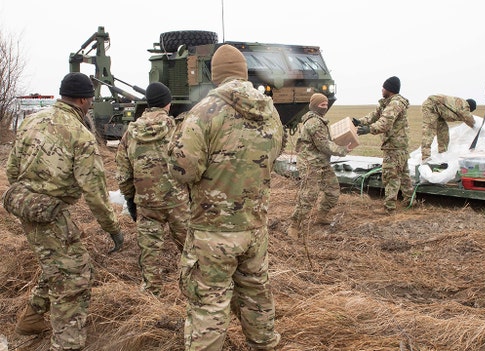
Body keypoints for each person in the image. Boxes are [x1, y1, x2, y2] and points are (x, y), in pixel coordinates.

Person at [168, 44, 284, 351]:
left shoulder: (204, 112)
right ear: (245, 73)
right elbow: (273, 156)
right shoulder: (271, 112)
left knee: (209, 303)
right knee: (256, 294)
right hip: (254, 228)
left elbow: (182, 171)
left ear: (214, 75)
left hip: (212, 231)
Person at [5, 72, 124, 350]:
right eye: (90, 100)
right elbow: (95, 192)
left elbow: (11, 170)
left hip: (24, 205)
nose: (91, 105)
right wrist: (113, 228)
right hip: (49, 213)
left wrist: (30, 197)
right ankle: (67, 343)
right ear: (83, 100)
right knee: (75, 277)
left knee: (60, 262)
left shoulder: (32, 121)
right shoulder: (79, 134)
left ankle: (32, 319)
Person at [115, 82, 190, 297]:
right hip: (177, 201)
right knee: (190, 249)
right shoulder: (178, 129)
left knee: (149, 253)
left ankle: (151, 293)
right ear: (168, 103)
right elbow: (190, 162)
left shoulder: (131, 132)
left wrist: (130, 199)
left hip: (146, 204)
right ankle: (195, 290)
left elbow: (123, 171)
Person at [287, 93, 353, 238]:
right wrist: (342, 150)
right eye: (321, 104)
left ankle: (321, 215)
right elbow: (323, 145)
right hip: (311, 164)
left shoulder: (319, 120)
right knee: (308, 196)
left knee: (333, 191)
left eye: (326, 104)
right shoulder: (314, 123)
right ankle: (294, 225)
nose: (325, 107)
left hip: (321, 162)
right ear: (314, 105)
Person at [352, 76, 413, 214]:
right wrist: (360, 122)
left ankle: (389, 208)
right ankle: (410, 201)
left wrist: (368, 129)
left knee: (391, 175)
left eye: (383, 87)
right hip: (398, 145)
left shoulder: (395, 104)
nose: (382, 90)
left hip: (394, 145)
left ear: (389, 89)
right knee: (403, 174)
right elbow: (375, 115)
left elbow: (384, 123)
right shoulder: (387, 102)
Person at [420, 94, 477, 162]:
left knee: (444, 132)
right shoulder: (464, 105)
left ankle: (442, 155)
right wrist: (477, 129)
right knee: (429, 133)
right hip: (431, 107)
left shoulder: (460, 104)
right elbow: (469, 119)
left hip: (439, 112)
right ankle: (425, 158)